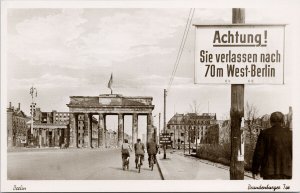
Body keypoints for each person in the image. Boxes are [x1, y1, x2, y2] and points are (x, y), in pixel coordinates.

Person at [252, 111, 292, 179]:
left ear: (270, 121)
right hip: (286, 172)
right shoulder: (290, 134)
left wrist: (255, 170)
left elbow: (259, 153)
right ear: (283, 121)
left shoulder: (264, 133)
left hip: (269, 173)